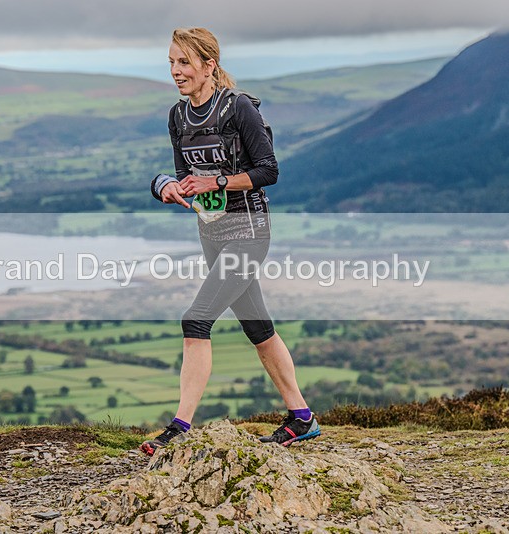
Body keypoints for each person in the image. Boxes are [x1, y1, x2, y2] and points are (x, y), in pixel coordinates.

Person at [141, 27, 320, 456]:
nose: (176, 71)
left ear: (209, 65)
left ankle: (179, 428)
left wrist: (217, 179)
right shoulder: (178, 116)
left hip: (249, 230)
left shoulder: (238, 108)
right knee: (258, 328)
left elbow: (268, 170)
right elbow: (187, 178)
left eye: (184, 62)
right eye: (171, 62)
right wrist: (165, 185)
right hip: (211, 232)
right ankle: (302, 417)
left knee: (195, 319)